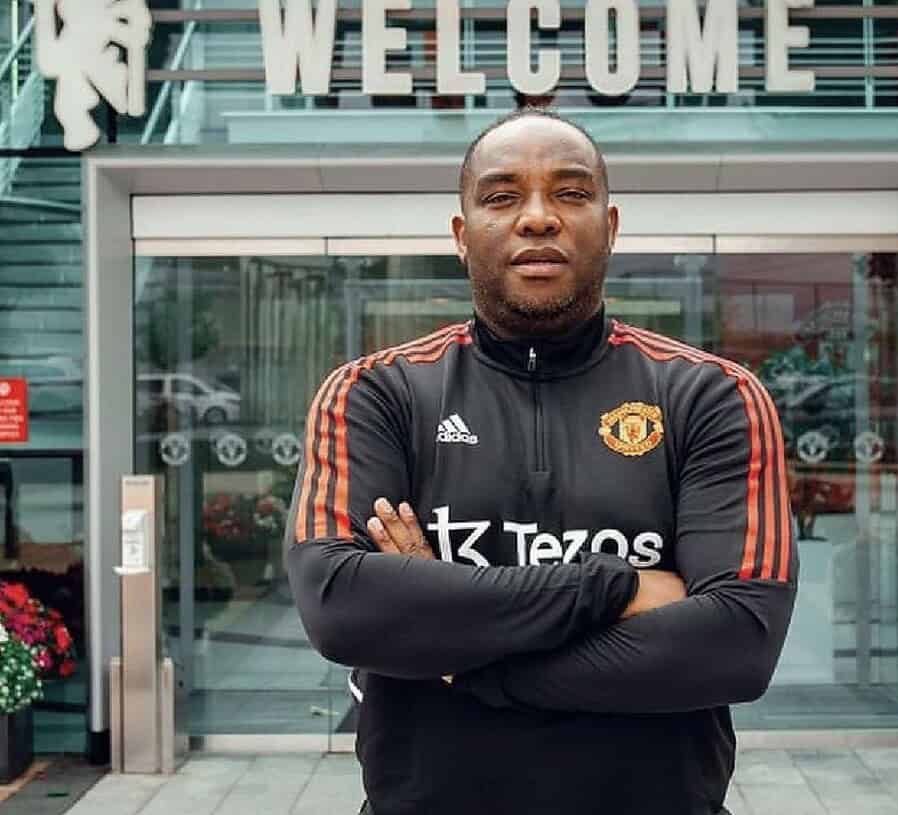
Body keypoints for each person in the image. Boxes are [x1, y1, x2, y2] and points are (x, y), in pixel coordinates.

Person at [286, 108, 798, 815]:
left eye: (570, 192)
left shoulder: (711, 395)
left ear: (609, 227)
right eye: (502, 196)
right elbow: (342, 608)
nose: (537, 218)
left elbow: (736, 643)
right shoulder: (377, 393)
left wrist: (460, 655)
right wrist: (614, 585)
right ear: (462, 236)